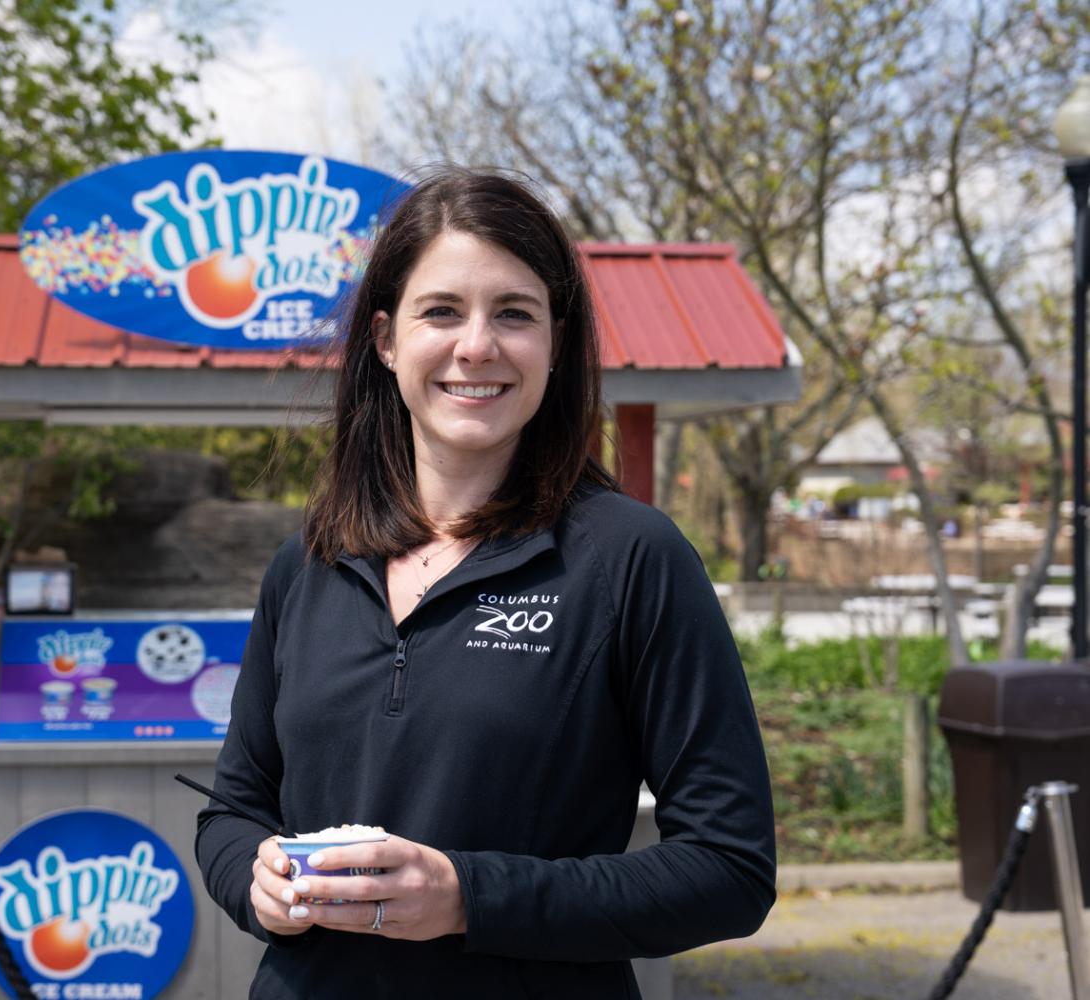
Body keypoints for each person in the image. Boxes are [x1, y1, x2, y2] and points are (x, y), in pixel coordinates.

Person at [194, 168, 775, 998]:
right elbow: (232, 812)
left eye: (514, 313)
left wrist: (470, 897)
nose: (477, 346)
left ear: (556, 343)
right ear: (387, 341)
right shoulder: (310, 563)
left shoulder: (630, 558)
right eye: (442, 311)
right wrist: (254, 885)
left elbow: (731, 868)